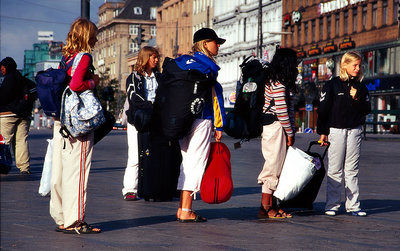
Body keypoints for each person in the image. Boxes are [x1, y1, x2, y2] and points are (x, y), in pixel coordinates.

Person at [50, 18, 101, 234]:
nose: (97, 39)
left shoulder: (66, 56)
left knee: (59, 172)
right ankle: (76, 221)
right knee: (77, 171)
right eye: (95, 35)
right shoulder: (84, 57)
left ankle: (61, 217)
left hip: (61, 118)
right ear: (88, 36)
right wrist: (93, 82)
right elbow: (76, 84)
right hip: (77, 122)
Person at [173, 28, 226, 222]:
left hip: (180, 118)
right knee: (195, 164)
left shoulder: (181, 62)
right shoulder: (208, 66)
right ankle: (186, 210)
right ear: (204, 43)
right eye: (215, 41)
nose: (218, 45)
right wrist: (219, 126)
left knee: (186, 162)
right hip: (201, 118)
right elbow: (215, 97)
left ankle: (182, 208)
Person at [317, 51, 371, 217]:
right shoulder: (332, 85)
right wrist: (322, 132)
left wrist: (357, 99)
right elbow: (323, 110)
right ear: (344, 65)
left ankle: (353, 206)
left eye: (359, 65)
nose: (357, 68)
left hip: (355, 130)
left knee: (352, 170)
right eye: (354, 65)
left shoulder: (361, 87)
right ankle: (332, 205)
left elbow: (366, 110)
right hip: (336, 130)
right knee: (335, 169)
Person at [257, 48, 298, 219]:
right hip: (275, 126)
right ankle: (266, 208)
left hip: (275, 126)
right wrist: (290, 132)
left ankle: (272, 205)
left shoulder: (276, 80)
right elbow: (281, 110)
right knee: (272, 168)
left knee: (277, 167)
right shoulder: (278, 82)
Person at [122, 46, 160, 201]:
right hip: (138, 120)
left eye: (157, 57)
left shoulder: (159, 76)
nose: (156, 60)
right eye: (153, 57)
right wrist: (152, 106)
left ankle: (152, 187)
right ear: (146, 58)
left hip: (156, 119)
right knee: (135, 156)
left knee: (155, 154)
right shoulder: (134, 77)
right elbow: (134, 97)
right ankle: (130, 189)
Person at [0, 57, 31, 174]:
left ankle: (3, 165)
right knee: (21, 141)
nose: (2, 70)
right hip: (23, 115)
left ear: (7, 67)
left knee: (5, 141)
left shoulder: (8, 79)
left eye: (3, 67)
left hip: (7, 115)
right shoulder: (22, 78)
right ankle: (24, 168)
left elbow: (3, 97)